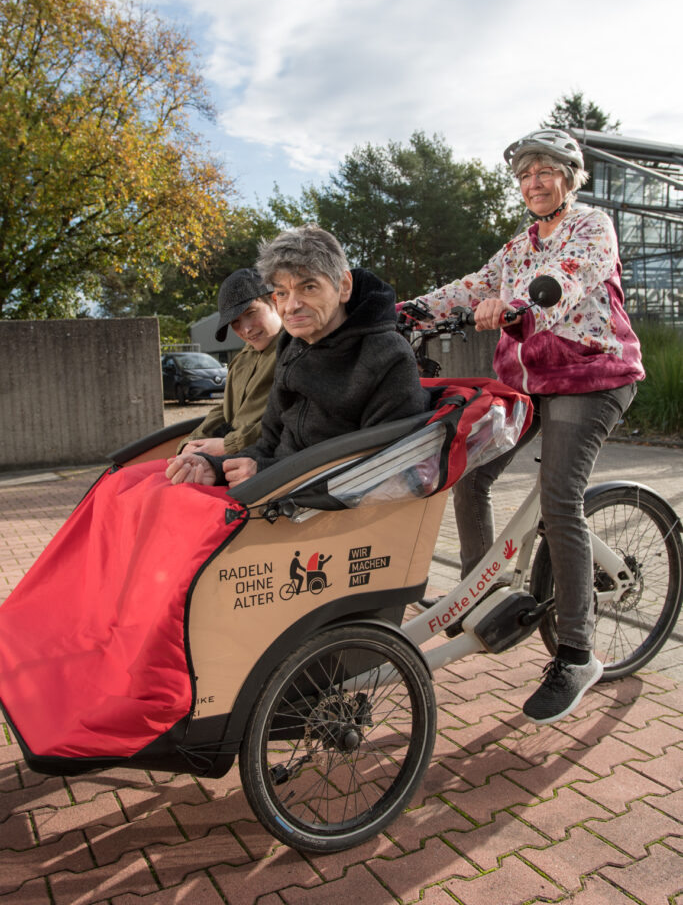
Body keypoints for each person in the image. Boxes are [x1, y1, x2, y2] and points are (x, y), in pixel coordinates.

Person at [409, 129, 644, 726]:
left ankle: (577, 654)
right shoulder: (517, 247)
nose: (533, 183)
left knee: (560, 500)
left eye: (545, 172)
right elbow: (470, 287)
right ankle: (479, 593)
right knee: (470, 473)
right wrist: (405, 312)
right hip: (532, 383)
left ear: (569, 176)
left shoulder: (591, 226)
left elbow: (566, 278)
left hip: (592, 375)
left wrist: (522, 306)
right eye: (524, 176)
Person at [166, 226, 425, 487]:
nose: (291, 306)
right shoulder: (291, 346)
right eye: (282, 293)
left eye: (308, 287)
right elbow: (268, 443)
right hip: (278, 489)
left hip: (326, 502)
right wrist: (216, 468)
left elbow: (381, 470)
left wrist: (266, 474)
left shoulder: (388, 356)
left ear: (344, 286)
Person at [176, 268, 282, 457]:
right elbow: (227, 411)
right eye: (235, 322)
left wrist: (230, 445)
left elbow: (292, 418)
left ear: (275, 301)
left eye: (251, 313)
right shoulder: (242, 359)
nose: (246, 329)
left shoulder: (294, 351)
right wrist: (191, 443)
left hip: (264, 459)